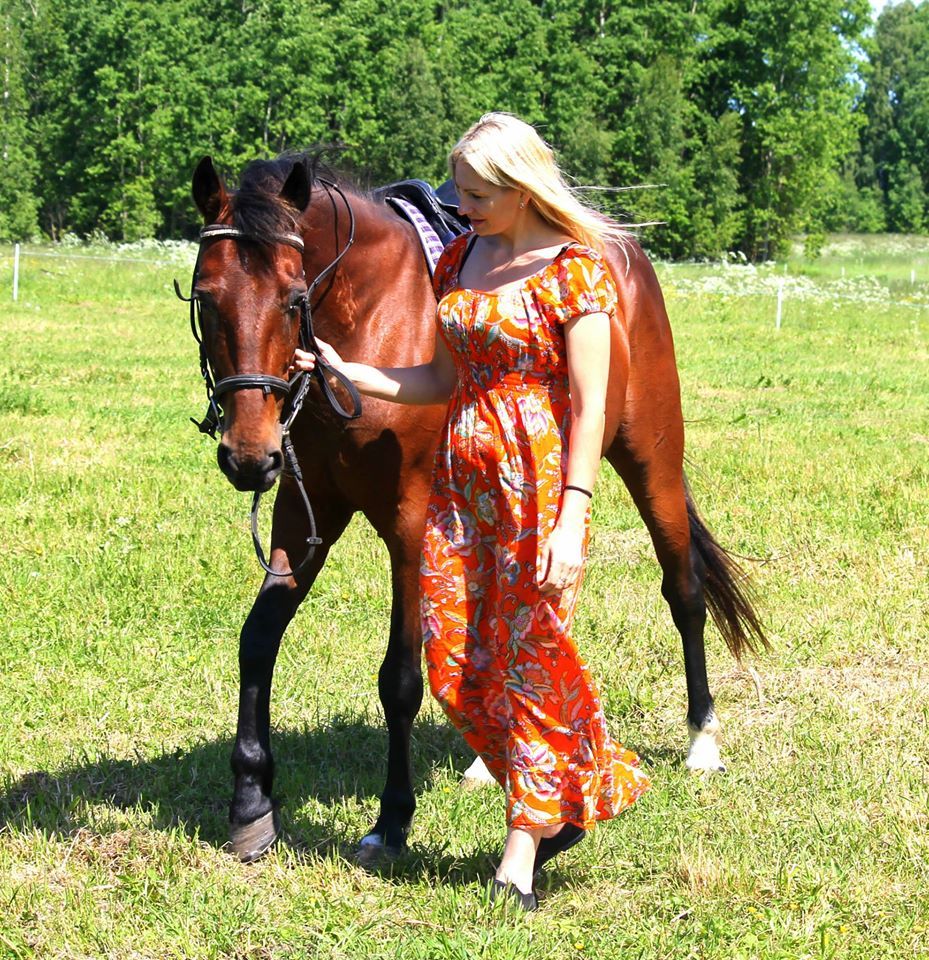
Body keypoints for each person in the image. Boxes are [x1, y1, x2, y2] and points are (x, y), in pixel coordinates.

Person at [291, 112, 650, 910]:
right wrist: (360, 373)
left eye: (478, 193)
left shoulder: (576, 272)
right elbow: (438, 378)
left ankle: (522, 847)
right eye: (459, 190)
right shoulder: (459, 255)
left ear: (521, 189)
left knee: (530, 658)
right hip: (462, 482)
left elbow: (591, 408)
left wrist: (571, 517)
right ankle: (570, 778)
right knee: (452, 657)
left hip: (538, 488)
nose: (463, 205)